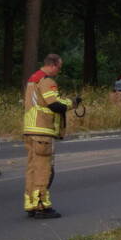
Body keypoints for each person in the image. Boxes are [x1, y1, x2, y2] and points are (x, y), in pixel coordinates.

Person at [22, 54, 79, 219]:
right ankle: (42, 206)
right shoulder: (47, 81)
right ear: (53, 65)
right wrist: (72, 103)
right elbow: (54, 105)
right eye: (59, 67)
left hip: (30, 130)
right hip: (43, 131)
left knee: (32, 168)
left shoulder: (33, 79)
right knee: (43, 169)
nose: (59, 71)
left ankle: (31, 203)